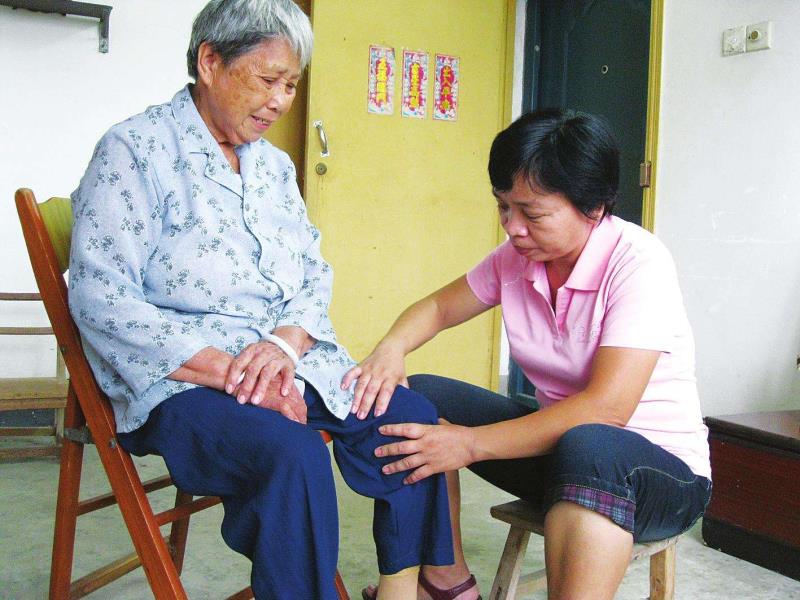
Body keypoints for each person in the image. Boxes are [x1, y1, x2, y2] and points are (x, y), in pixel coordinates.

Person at [68, 1, 453, 598]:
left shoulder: (273, 166)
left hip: (287, 364)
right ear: (210, 62)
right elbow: (101, 296)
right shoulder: (135, 150)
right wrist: (235, 374)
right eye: (268, 79)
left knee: (411, 420)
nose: (279, 101)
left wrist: (285, 346)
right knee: (291, 453)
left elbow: (312, 272)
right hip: (183, 380)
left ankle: (403, 591)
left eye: (291, 85)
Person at [346, 109, 712, 600]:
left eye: (532, 214)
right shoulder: (517, 260)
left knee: (592, 444)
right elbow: (437, 307)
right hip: (563, 455)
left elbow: (608, 409)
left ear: (593, 207)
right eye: (503, 207)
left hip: (658, 477)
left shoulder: (638, 263)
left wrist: (470, 444)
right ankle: (446, 584)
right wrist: (390, 349)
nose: (512, 228)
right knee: (418, 398)